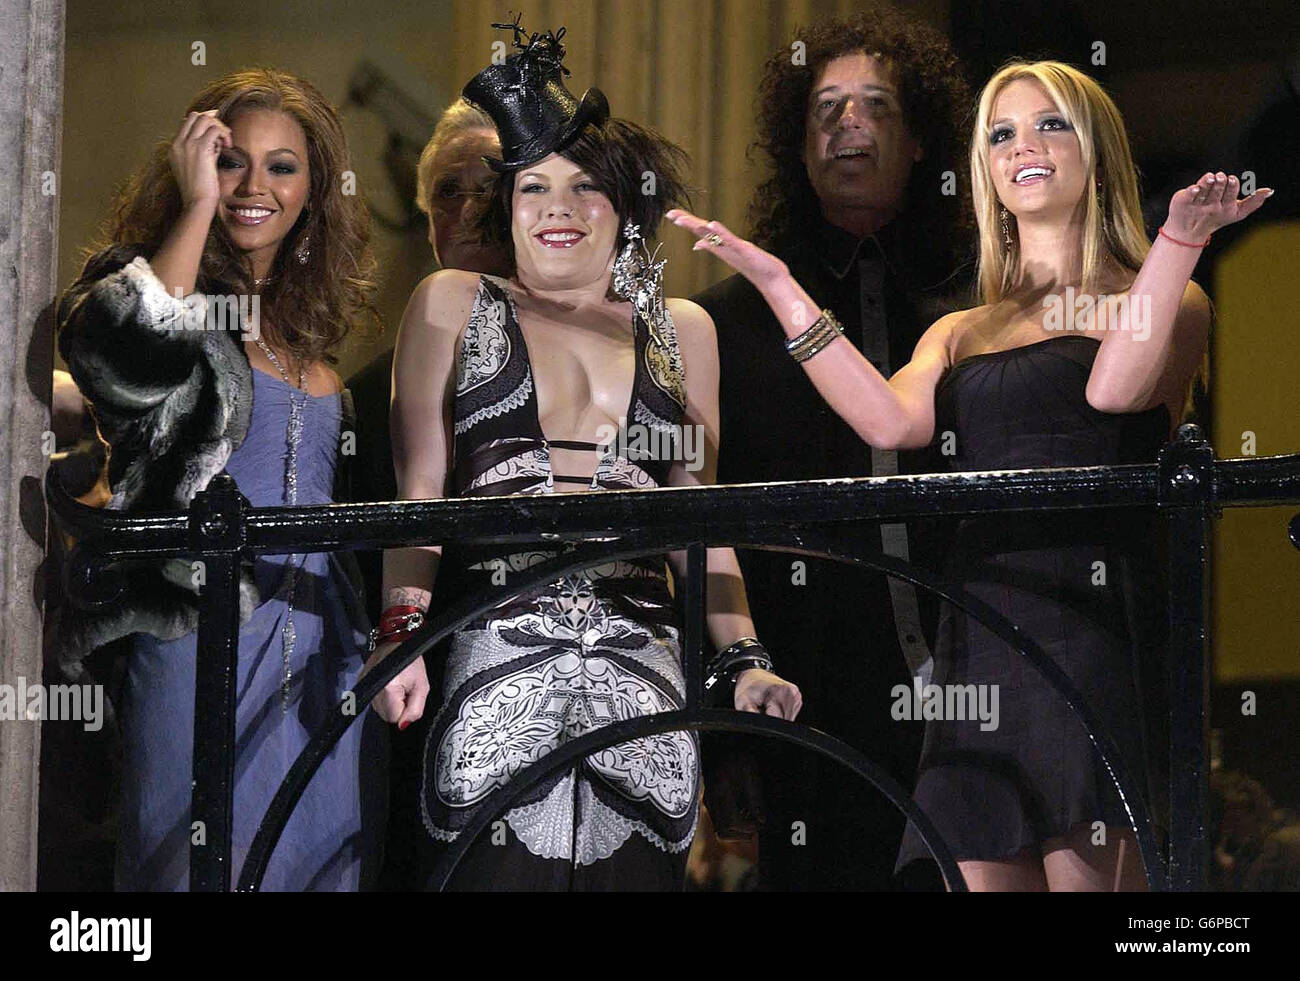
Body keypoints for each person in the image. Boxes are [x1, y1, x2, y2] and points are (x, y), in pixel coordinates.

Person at [671, 59, 1271, 891]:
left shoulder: (1169, 293)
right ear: (984, 168)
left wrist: (1180, 240)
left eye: (1050, 124)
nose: (1024, 145)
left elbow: (1114, 389)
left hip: (1089, 630)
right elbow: (885, 418)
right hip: (978, 638)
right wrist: (779, 285)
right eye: (1001, 133)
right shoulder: (960, 326)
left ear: (1094, 148)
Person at [364, 21, 802, 890]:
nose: (556, 209)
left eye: (583, 188)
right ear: (507, 205)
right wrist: (401, 633)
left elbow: (699, 520)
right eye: (534, 188)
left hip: (643, 667)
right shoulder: (452, 301)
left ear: (628, 206)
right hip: (497, 653)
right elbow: (420, 493)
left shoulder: (685, 332)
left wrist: (744, 657)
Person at [56, 68, 387, 891]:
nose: (254, 186)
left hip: (319, 652)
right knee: (190, 864)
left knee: (314, 861)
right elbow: (118, 353)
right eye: (232, 160)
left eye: (283, 166)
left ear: (313, 190)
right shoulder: (159, 283)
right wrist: (195, 206)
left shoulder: (310, 339)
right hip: (194, 638)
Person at [690, 6, 973, 890]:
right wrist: (726, 728)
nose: (848, 123)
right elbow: (705, 518)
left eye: (876, 105)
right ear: (796, 143)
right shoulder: (732, 322)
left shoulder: (977, 300)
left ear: (921, 137)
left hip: (973, 686)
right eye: (825, 107)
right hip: (806, 705)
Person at [346, 99, 512, 890]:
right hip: (415, 703)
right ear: (425, 215)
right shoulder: (364, 396)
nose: (472, 207)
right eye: (449, 190)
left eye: (494, 183)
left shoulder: (611, 363)